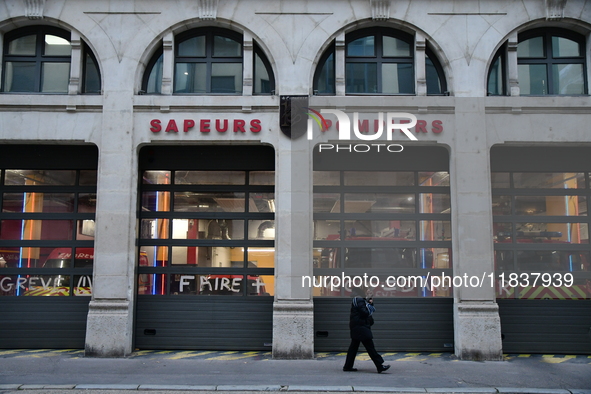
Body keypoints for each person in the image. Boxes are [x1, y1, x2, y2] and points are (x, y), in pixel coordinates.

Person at [343, 290, 390, 373]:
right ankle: (379, 366)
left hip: (358, 327)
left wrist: (369, 303)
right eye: (367, 292)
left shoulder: (358, 300)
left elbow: (363, 311)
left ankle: (347, 366)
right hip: (361, 328)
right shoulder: (359, 300)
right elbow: (364, 312)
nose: (368, 293)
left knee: (353, 348)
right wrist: (370, 304)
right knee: (370, 348)